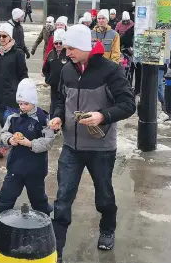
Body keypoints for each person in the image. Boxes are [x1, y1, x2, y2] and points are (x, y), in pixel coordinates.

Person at [48, 25, 136, 261]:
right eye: (66, 48)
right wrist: (56, 116)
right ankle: (56, 249)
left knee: (104, 195)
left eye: (72, 48)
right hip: (70, 147)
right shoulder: (67, 70)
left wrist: (102, 116)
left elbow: (128, 104)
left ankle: (107, 230)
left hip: (101, 148)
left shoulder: (111, 71)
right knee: (63, 198)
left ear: (87, 47)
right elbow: (59, 99)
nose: (68, 53)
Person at [0, 78, 55, 236]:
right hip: (15, 167)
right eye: (20, 103)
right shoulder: (13, 117)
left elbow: (49, 141)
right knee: (5, 198)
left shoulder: (43, 118)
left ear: (33, 102)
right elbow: (4, 133)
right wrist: (10, 139)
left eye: (26, 104)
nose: (22, 107)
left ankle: (47, 223)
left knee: (38, 200)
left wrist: (30, 143)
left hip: (35, 169)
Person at [0, 23, 29, 158]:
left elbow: (23, 73)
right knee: (3, 120)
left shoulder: (17, 53)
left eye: (4, 36)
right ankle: (14, 139)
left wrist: (24, 90)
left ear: (10, 37)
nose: (1, 38)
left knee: (8, 120)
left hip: (12, 94)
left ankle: (4, 146)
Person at [42, 29, 67, 114]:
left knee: (64, 104)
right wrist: (48, 79)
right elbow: (45, 69)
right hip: (54, 85)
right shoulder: (51, 54)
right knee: (54, 104)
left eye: (60, 43)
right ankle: (52, 119)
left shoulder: (68, 54)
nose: (58, 45)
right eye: (56, 43)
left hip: (65, 85)